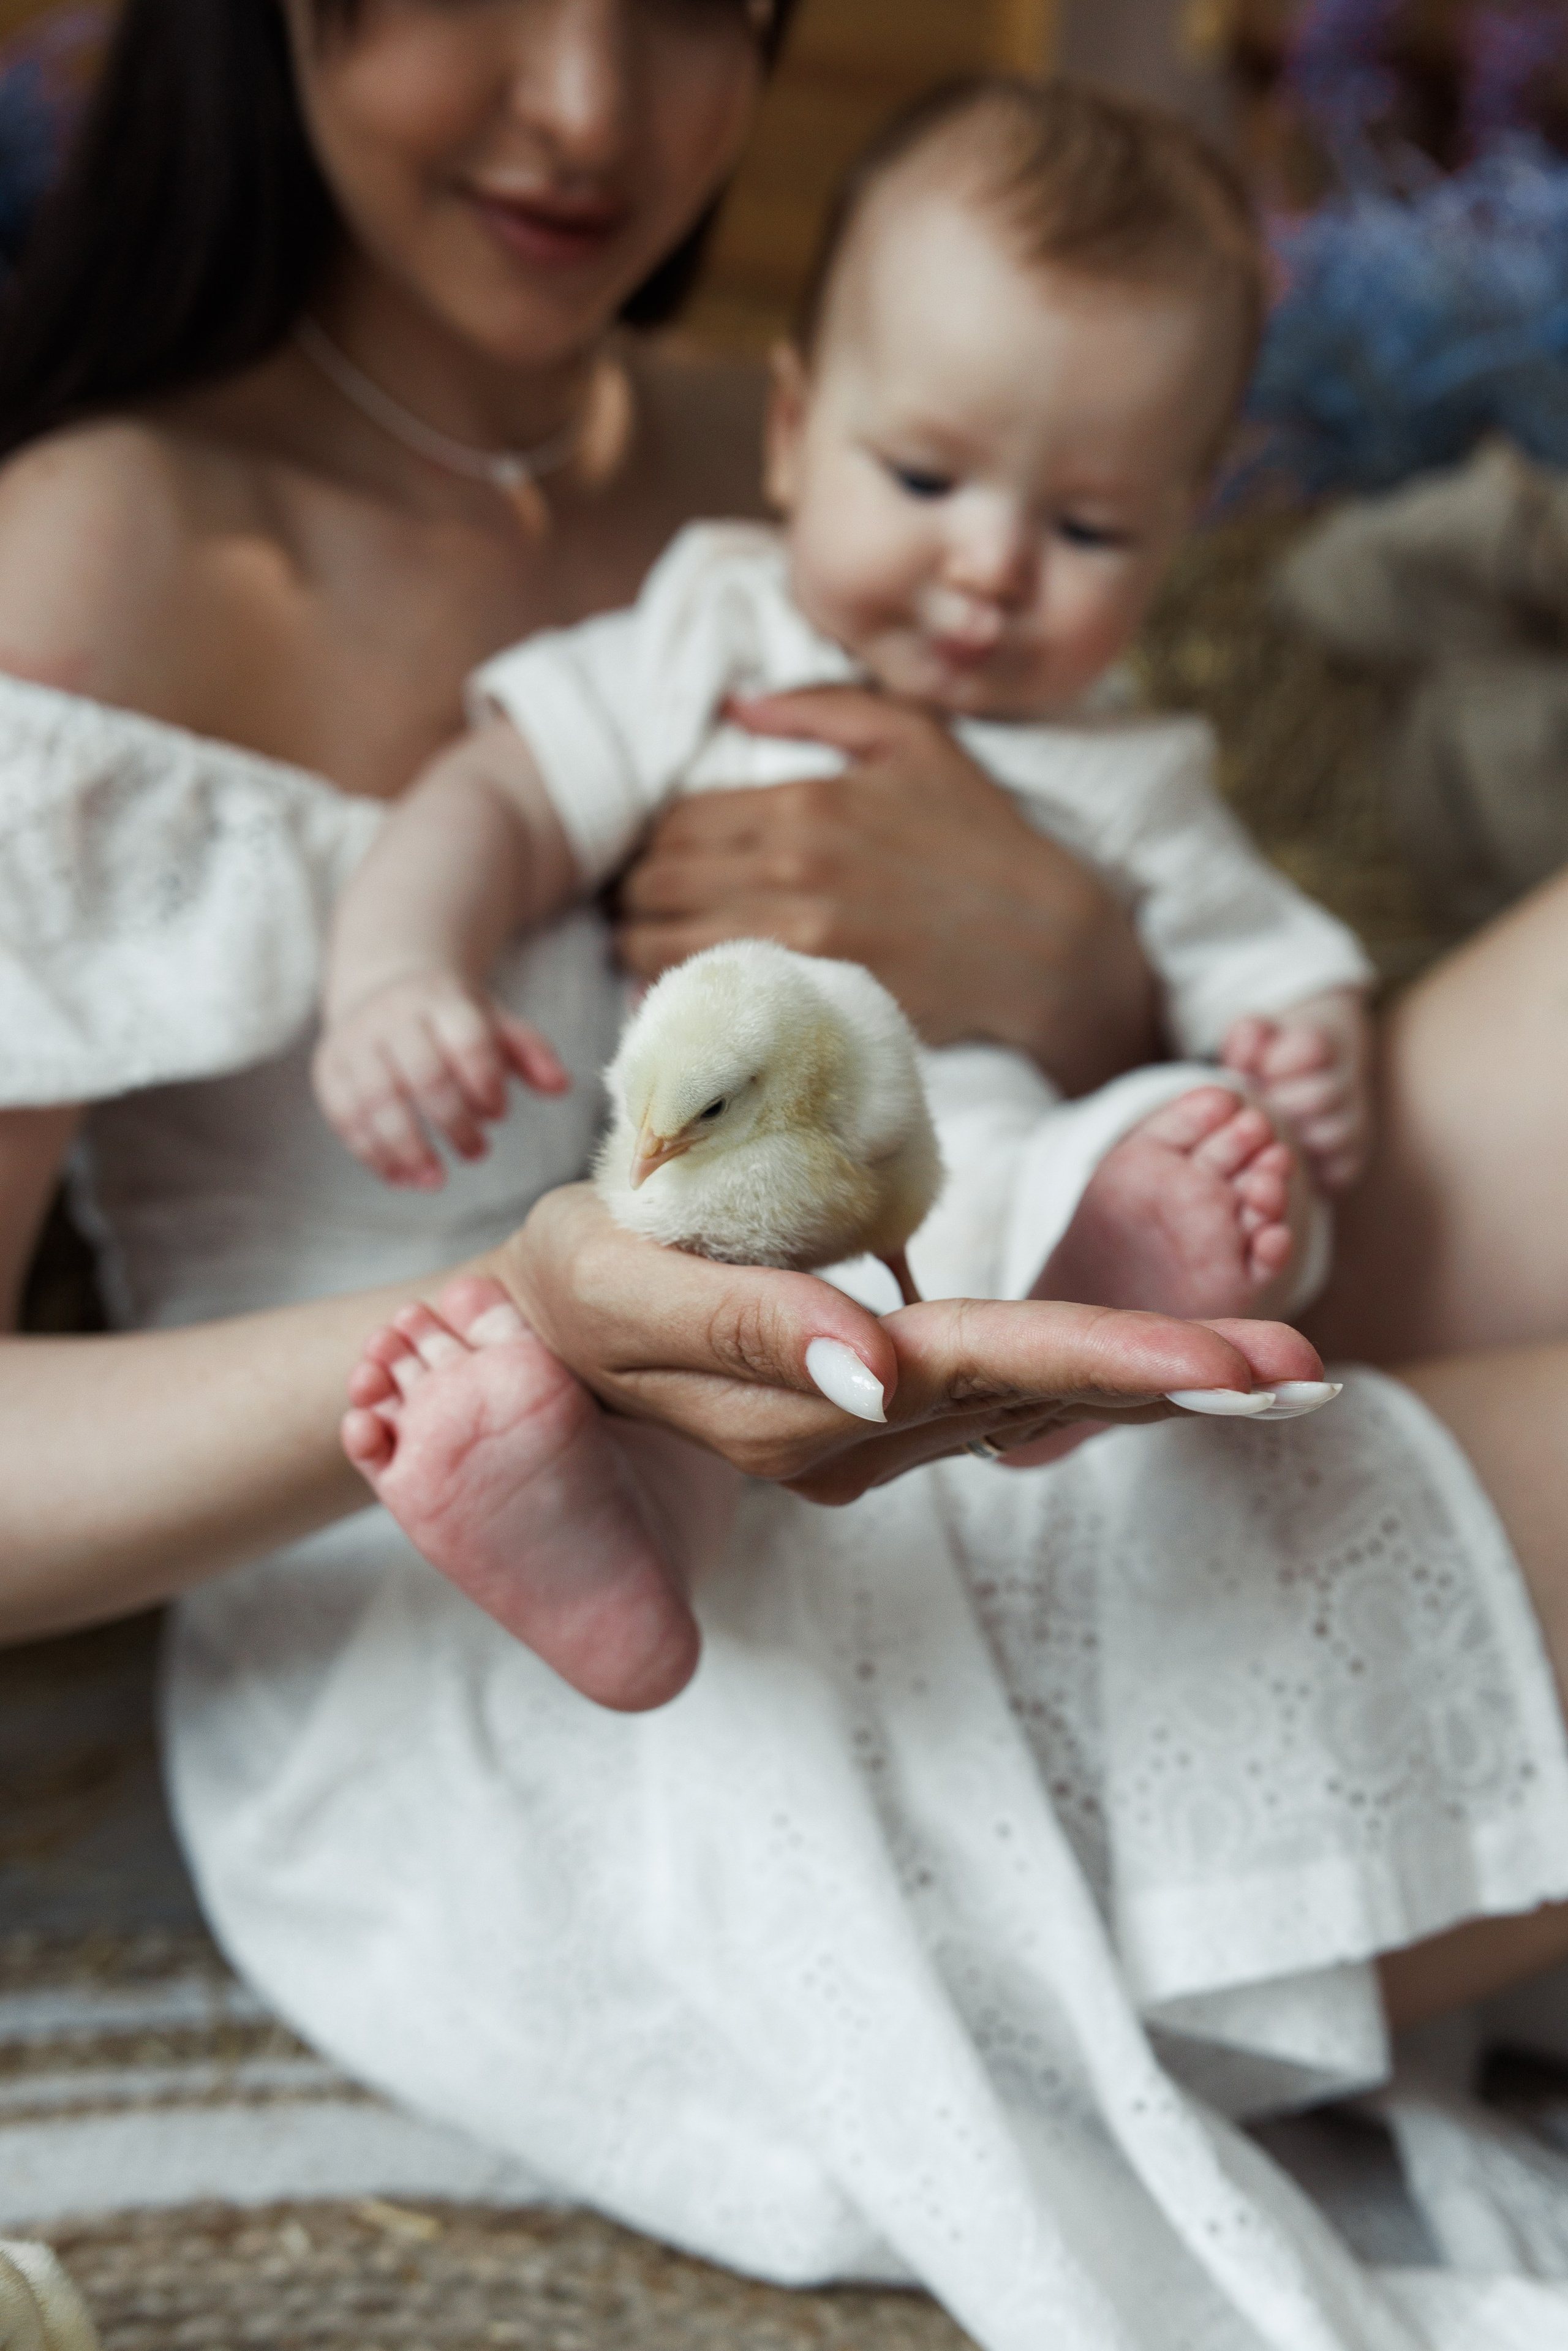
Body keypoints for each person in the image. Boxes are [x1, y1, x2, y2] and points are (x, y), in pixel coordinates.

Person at [4, 4, 1568, 2342]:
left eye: (685, 2)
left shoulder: (838, 425)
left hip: (979, 1236)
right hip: (519, 1638)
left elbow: (1126, 882)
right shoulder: (107, 545)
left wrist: (1067, 962)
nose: (589, 114)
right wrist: (524, 1322)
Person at [314, 78, 1368, 1710]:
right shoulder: (716, 637)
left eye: (1086, 526)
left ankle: (1106, 1287)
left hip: (965, 1206)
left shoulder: (1128, 767)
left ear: (1180, 537)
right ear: (796, 434)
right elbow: (499, 796)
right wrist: (399, 975)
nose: (990, 567)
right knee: (626, 1300)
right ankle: (593, 1548)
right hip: (686, 1197)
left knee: (1168, 1141)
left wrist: (1303, 1044)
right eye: (930, 481)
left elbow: (1260, 955)